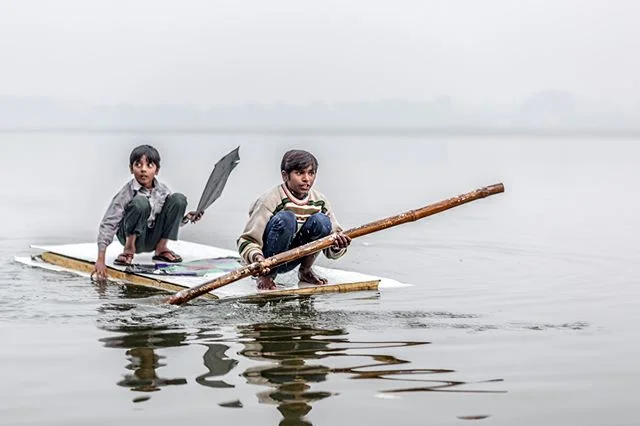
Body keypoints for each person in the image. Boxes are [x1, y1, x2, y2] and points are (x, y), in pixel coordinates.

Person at [237, 149, 351, 290]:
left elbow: (331, 245)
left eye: (311, 173)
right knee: (287, 218)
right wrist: (258, 260)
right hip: (268, 259)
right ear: (285, 176)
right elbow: (247, 240)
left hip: (294, 257)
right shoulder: (270, 199)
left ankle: (305, 271)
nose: (306, 179)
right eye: (299, 173)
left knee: (322, 221)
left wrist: (338, 245)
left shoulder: (320, 201)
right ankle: (267, 276)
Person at [92, 144, 202, 280]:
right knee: (140, 203)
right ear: (131, 168)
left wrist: (186, 218)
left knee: (179, 199)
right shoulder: (126, 193)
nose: (143, 170)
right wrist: (100, 259)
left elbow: (169, 220)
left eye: (149, 166)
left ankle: (162, 248)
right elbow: (109, 223)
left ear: (157, 170)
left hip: (152, 239)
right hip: (129, 237)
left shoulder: (163, 191)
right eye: (138, 165)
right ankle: (128, 251)